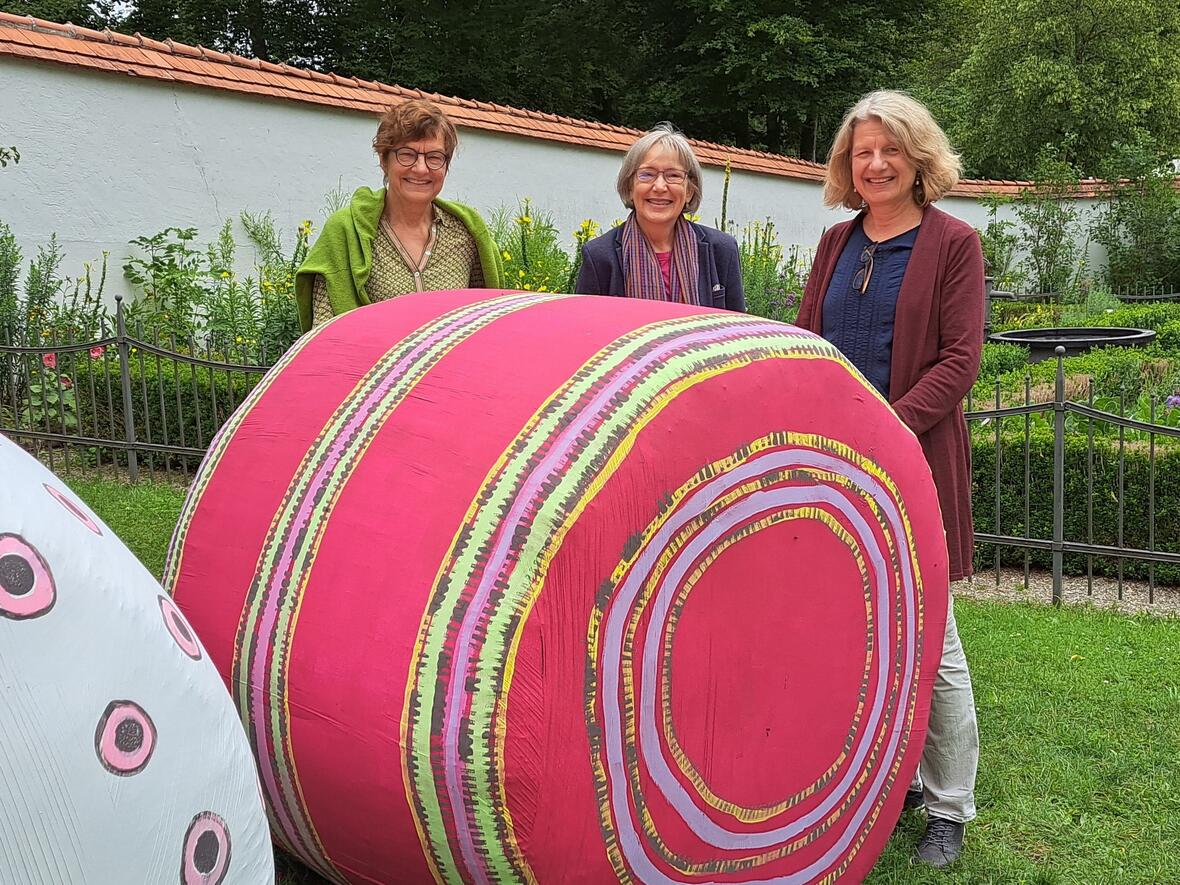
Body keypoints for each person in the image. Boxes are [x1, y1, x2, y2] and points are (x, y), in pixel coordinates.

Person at [795, 90, 982, 869]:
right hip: (839, 468)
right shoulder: (836, 242)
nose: (874, 164)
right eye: (861, 152)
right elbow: (805, 341)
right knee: (858, 630)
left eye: (889, 151)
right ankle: (889, 778)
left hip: (915, 465)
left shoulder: (954, 243)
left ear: (918, 159)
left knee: (933, 641)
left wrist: (885, 429)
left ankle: (949, 805)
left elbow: (959, 361)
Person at [295, 99, 503, 331]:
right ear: (384, 160)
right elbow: (325, 331)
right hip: (371, 366)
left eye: (434, 157)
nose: (421, 168)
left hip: (450, 367)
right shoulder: (346, 232)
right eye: (407, 154)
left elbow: (485, 321)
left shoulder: (466, 234)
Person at [574, 123, 744, 311]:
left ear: (689, 191)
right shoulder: (600, 256)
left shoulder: (722, 250)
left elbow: (738, 330)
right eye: (647, 174)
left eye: (673, 175)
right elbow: (587, 331)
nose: (660, 186)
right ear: (630, 187)